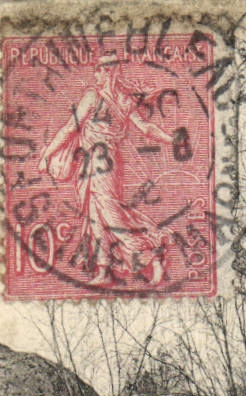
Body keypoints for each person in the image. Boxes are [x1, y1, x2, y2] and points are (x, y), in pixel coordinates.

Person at [38, 54, 177, 287]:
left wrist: (170, 139)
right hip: (91, 163)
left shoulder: (109, 99)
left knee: (112, 214)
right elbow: (71, 128)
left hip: (105, 163)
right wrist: (48, 153)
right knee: (95, 217)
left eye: (100, 70)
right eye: (97, 71)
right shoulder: (108, 98)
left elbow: (145, 128)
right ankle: (103, 270)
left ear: (110, 71)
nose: (97, 75)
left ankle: (152, 255)